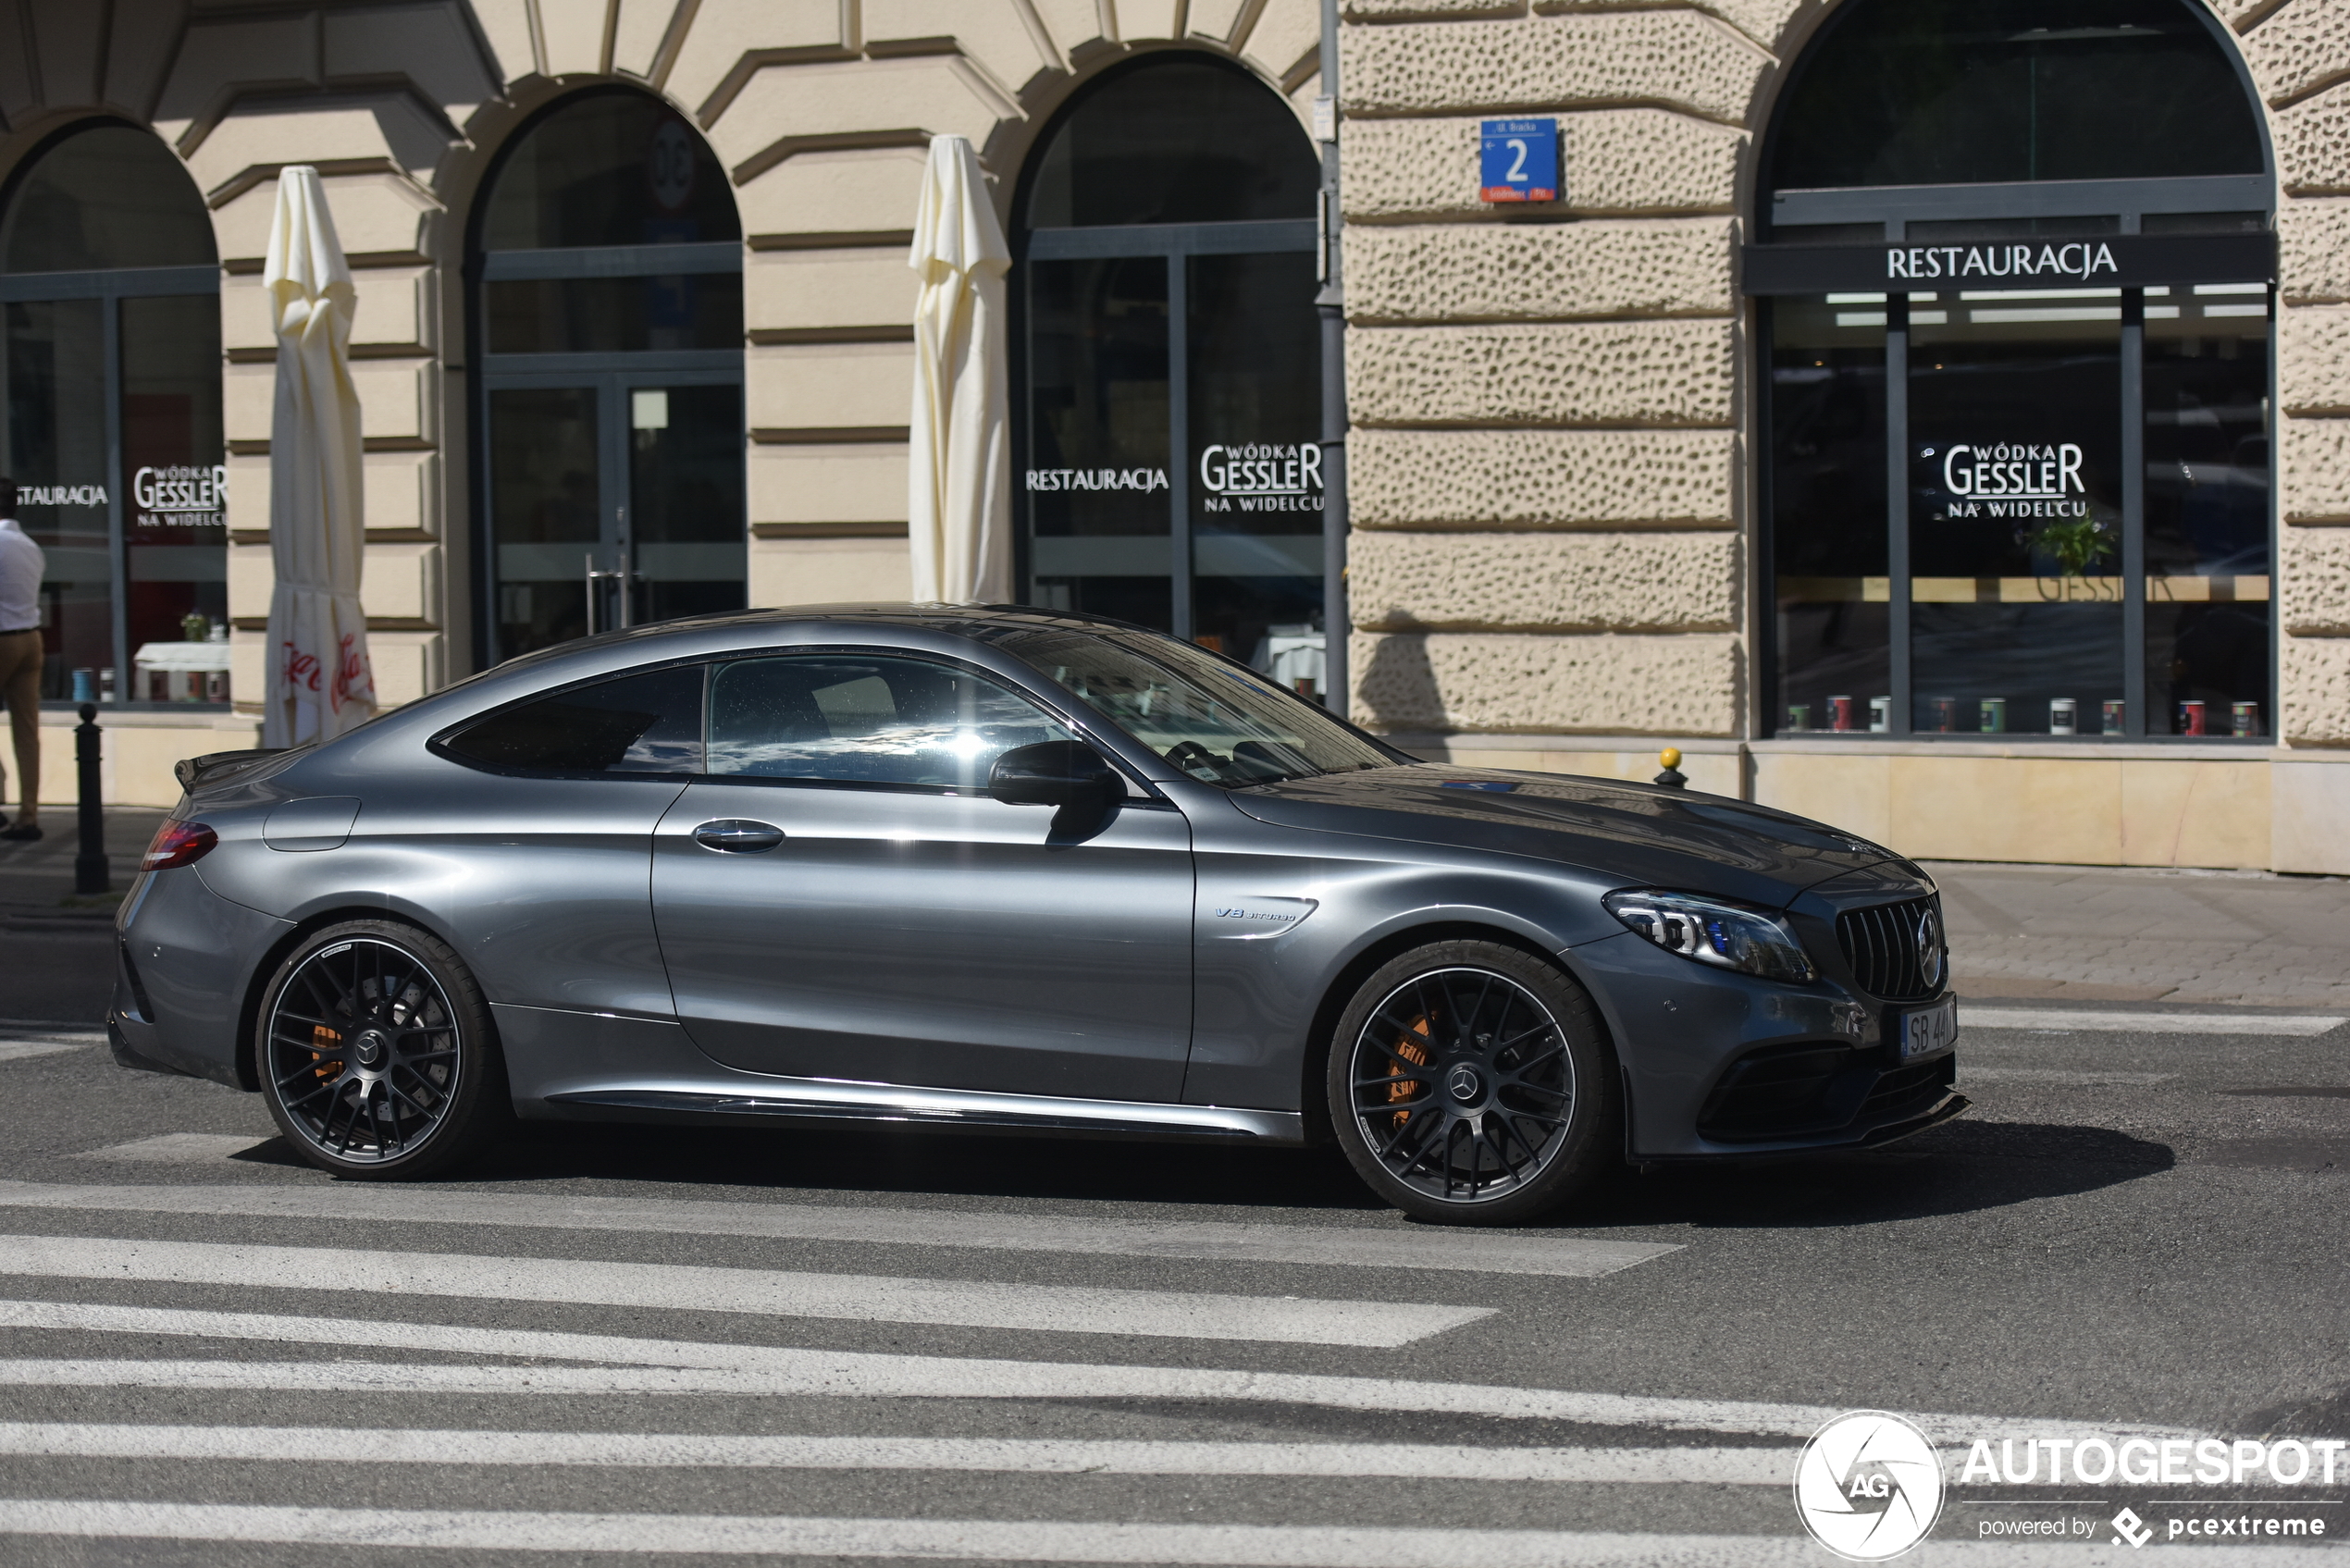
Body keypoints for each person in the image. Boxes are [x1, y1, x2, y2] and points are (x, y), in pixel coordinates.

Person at [0, 476, 45, 841]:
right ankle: (28, 816)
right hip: (31, 639)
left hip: (2, 640)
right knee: (27, 732)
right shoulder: (29, 545)